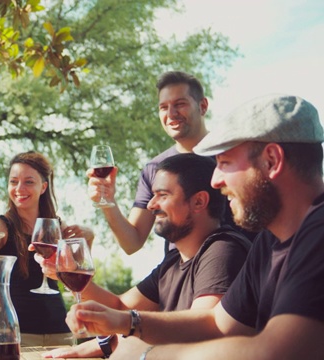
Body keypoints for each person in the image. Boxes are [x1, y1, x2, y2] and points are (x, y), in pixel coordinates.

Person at [67, 94, 324, 359]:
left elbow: (277, 351)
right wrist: (128, 323)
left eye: (224, 163)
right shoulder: (270, 241)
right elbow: (217, 323)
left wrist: (146, 355)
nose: (215, 180)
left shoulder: (318, 233)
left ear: (271, 160)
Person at [41, 153, 250, 358]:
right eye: (152, 195)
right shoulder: (174, 260)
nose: (151, 205)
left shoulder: (223, 250)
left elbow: (202, 328)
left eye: (163, 195)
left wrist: (131, 338)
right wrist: (69, 274)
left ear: (199, 202)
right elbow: (120, 307)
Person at [0, 151, 95, 346]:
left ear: (43, 187)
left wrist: (88, 239)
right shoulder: (1, 225)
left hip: (59, 330)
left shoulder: (57, 226)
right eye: (13, 182)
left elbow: (79, 275)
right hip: (16, 332)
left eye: (29, 182)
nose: (19, 188)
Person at [88, 71, 209, 255]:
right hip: (179, 278)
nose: (171, 114)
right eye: (163, 107)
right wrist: (108, 203)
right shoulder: (154, 169)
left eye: (180, 104)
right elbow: (132, 243)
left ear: (202, 106)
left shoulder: (231, 155)